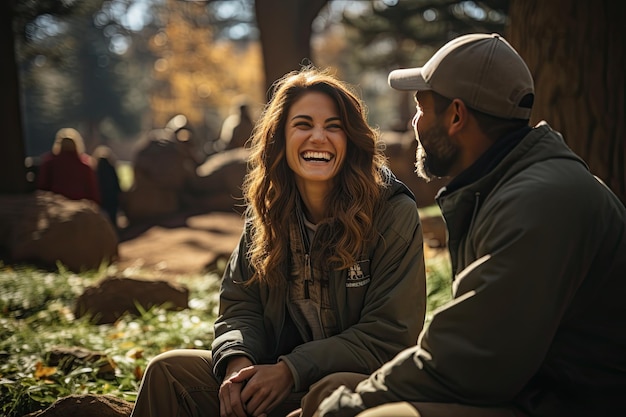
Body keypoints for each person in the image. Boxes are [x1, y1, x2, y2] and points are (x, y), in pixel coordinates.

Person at [307, 33, 626, 417]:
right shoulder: (507, 187)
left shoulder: (539, 203)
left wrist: (350, 405)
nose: (414, 123)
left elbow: (470, 361)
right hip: (527, 390)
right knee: (335, 385)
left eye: (421, 108)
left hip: (566, 404)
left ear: (456, 116)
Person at [129, 66, 427, 417]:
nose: (318, 137)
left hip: (357, 388)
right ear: (280, 138)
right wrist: (237, 362)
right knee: (168, 371)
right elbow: (241, 304)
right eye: (303, 125)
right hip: (275, 377)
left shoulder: (393, 213)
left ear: (351, 140)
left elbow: (389, 335)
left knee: (329, 390)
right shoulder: (269, 212)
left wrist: (291, 369)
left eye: (334, 127)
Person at [37, 127, 101, 205]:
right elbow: (92, 191)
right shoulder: (85, 166)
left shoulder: (49, 163)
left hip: (56, 206)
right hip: (79, 207)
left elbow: (43, 186)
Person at [92, 145, 122, 228]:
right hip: (112, 197)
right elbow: (117, 182)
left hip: (101, 198)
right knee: (113, 218)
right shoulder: (111, 168)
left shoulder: (95, 170)